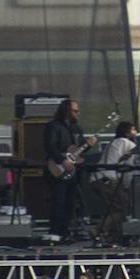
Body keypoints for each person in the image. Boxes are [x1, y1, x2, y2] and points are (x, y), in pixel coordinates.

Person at [43, 98, 91, 241]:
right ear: (66, 111)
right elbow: (49, 146)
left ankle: (64, 232)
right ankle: (55, 232)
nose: (78, 113)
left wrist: (89, 144)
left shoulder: (76, 129)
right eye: (75, 111)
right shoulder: (53, 126)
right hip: (57, 168)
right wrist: (62, 160)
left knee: (70, 202)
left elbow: (79, 150)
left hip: (73, 171)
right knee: (59, 200)